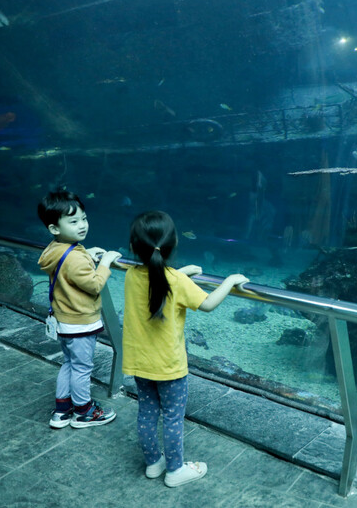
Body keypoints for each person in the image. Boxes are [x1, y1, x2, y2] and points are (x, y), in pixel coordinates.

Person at [122, 210, 249, 488]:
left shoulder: (132, 275)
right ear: (173, 244)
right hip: (170, 368)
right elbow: (208, 303)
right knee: (172, 417)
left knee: (146, 412)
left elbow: (156, 280)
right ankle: (175, 469)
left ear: (133, 247)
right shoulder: (176, 282)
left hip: (140, 364)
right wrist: (229, 281)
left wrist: (182, 273)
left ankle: (154, 463)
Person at [37, 190, 122, 429]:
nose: (82, 225)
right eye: (73, 221)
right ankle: (84, 412)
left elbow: (70, 261)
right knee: (83, 367)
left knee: (69, 362)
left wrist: (86, 252)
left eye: (83, 218)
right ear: (55, 228)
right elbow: (94, 285)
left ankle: (62, 410)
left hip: (64, 320)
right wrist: (105, 262)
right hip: (80, 322)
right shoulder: (74, 257)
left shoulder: (56, 248)